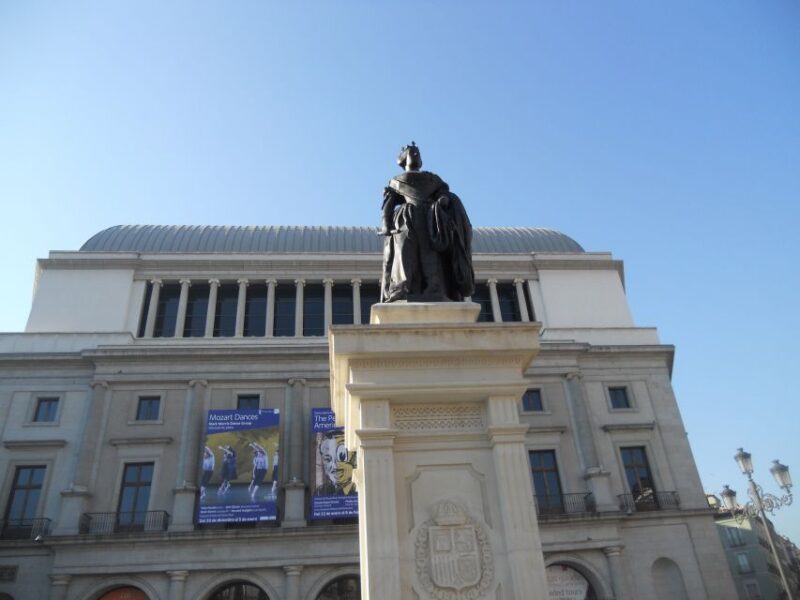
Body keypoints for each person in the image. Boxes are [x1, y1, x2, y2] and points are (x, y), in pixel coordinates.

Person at [380, 142, 474, 303]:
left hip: (429, 219)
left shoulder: (432, 179)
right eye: (412, 153)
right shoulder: (396, 181)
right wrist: (386, 224)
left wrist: (443, 199)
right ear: (403, 159)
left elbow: (443, 192)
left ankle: (434, 287)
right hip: (405, 219)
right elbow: (389, 204)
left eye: (418, 153)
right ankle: (401, 289)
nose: (416, 155)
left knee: (429, 253)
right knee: (405, 253)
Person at [313, 430, 356, 496]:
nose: (335, 466)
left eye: (342, 456)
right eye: (327, 459)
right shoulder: (320, 493)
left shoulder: (361, 490)